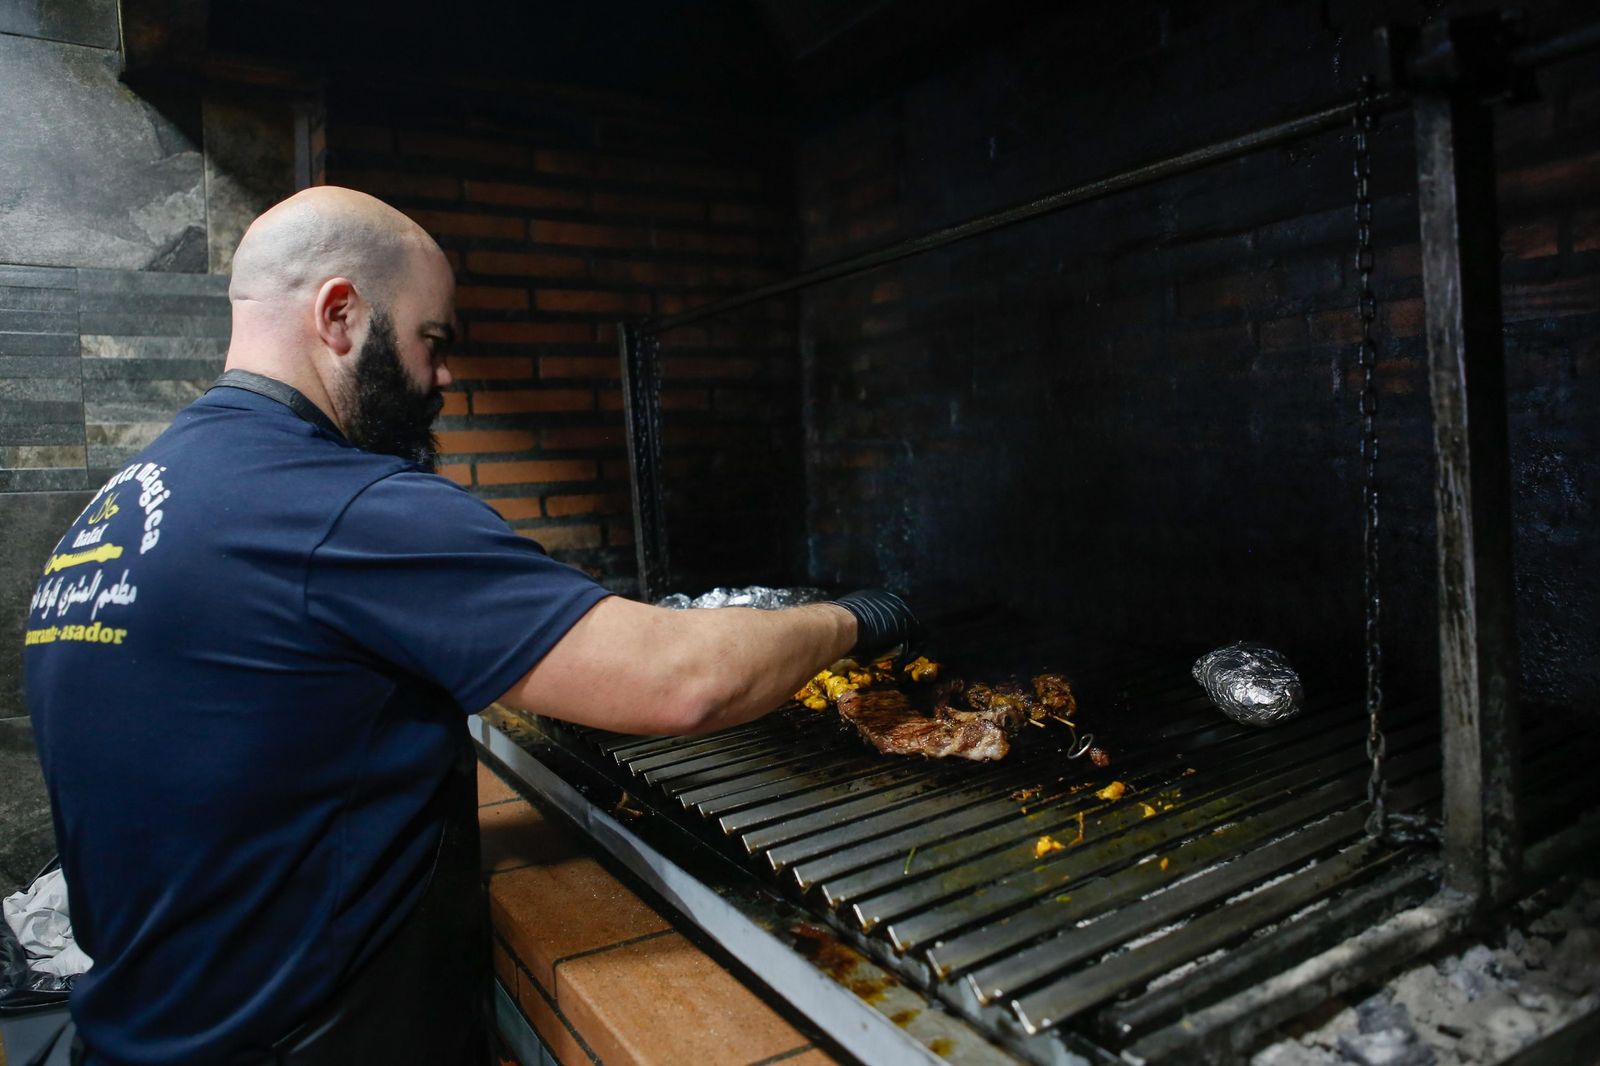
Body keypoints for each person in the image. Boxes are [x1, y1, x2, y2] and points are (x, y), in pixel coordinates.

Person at [20, 186, 920, 1066]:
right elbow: (683, 679)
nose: (442, 376)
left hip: (141, 1030)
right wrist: (858, 616)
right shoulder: (340, 505)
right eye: (432, 340)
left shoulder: (126, 503)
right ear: (341, 315)